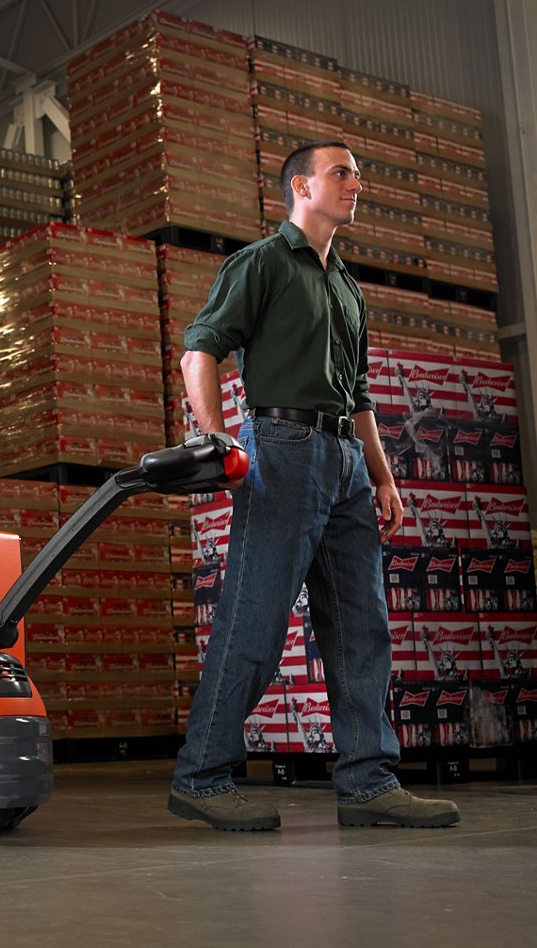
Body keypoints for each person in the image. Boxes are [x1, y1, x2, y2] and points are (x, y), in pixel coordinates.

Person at [169, 140, 460, 830]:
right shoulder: (262, 264)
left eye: (357, 174)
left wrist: (383, 478)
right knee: (256, 619)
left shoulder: (347, 287)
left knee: (362, 625)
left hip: (346, 461)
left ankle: (368, 780)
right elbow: (199, 351)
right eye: (342, 172)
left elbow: (359, 397)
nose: (356, 183)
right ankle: (201, 775)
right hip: (284, 448)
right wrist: (219, 440)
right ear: (301, 186)